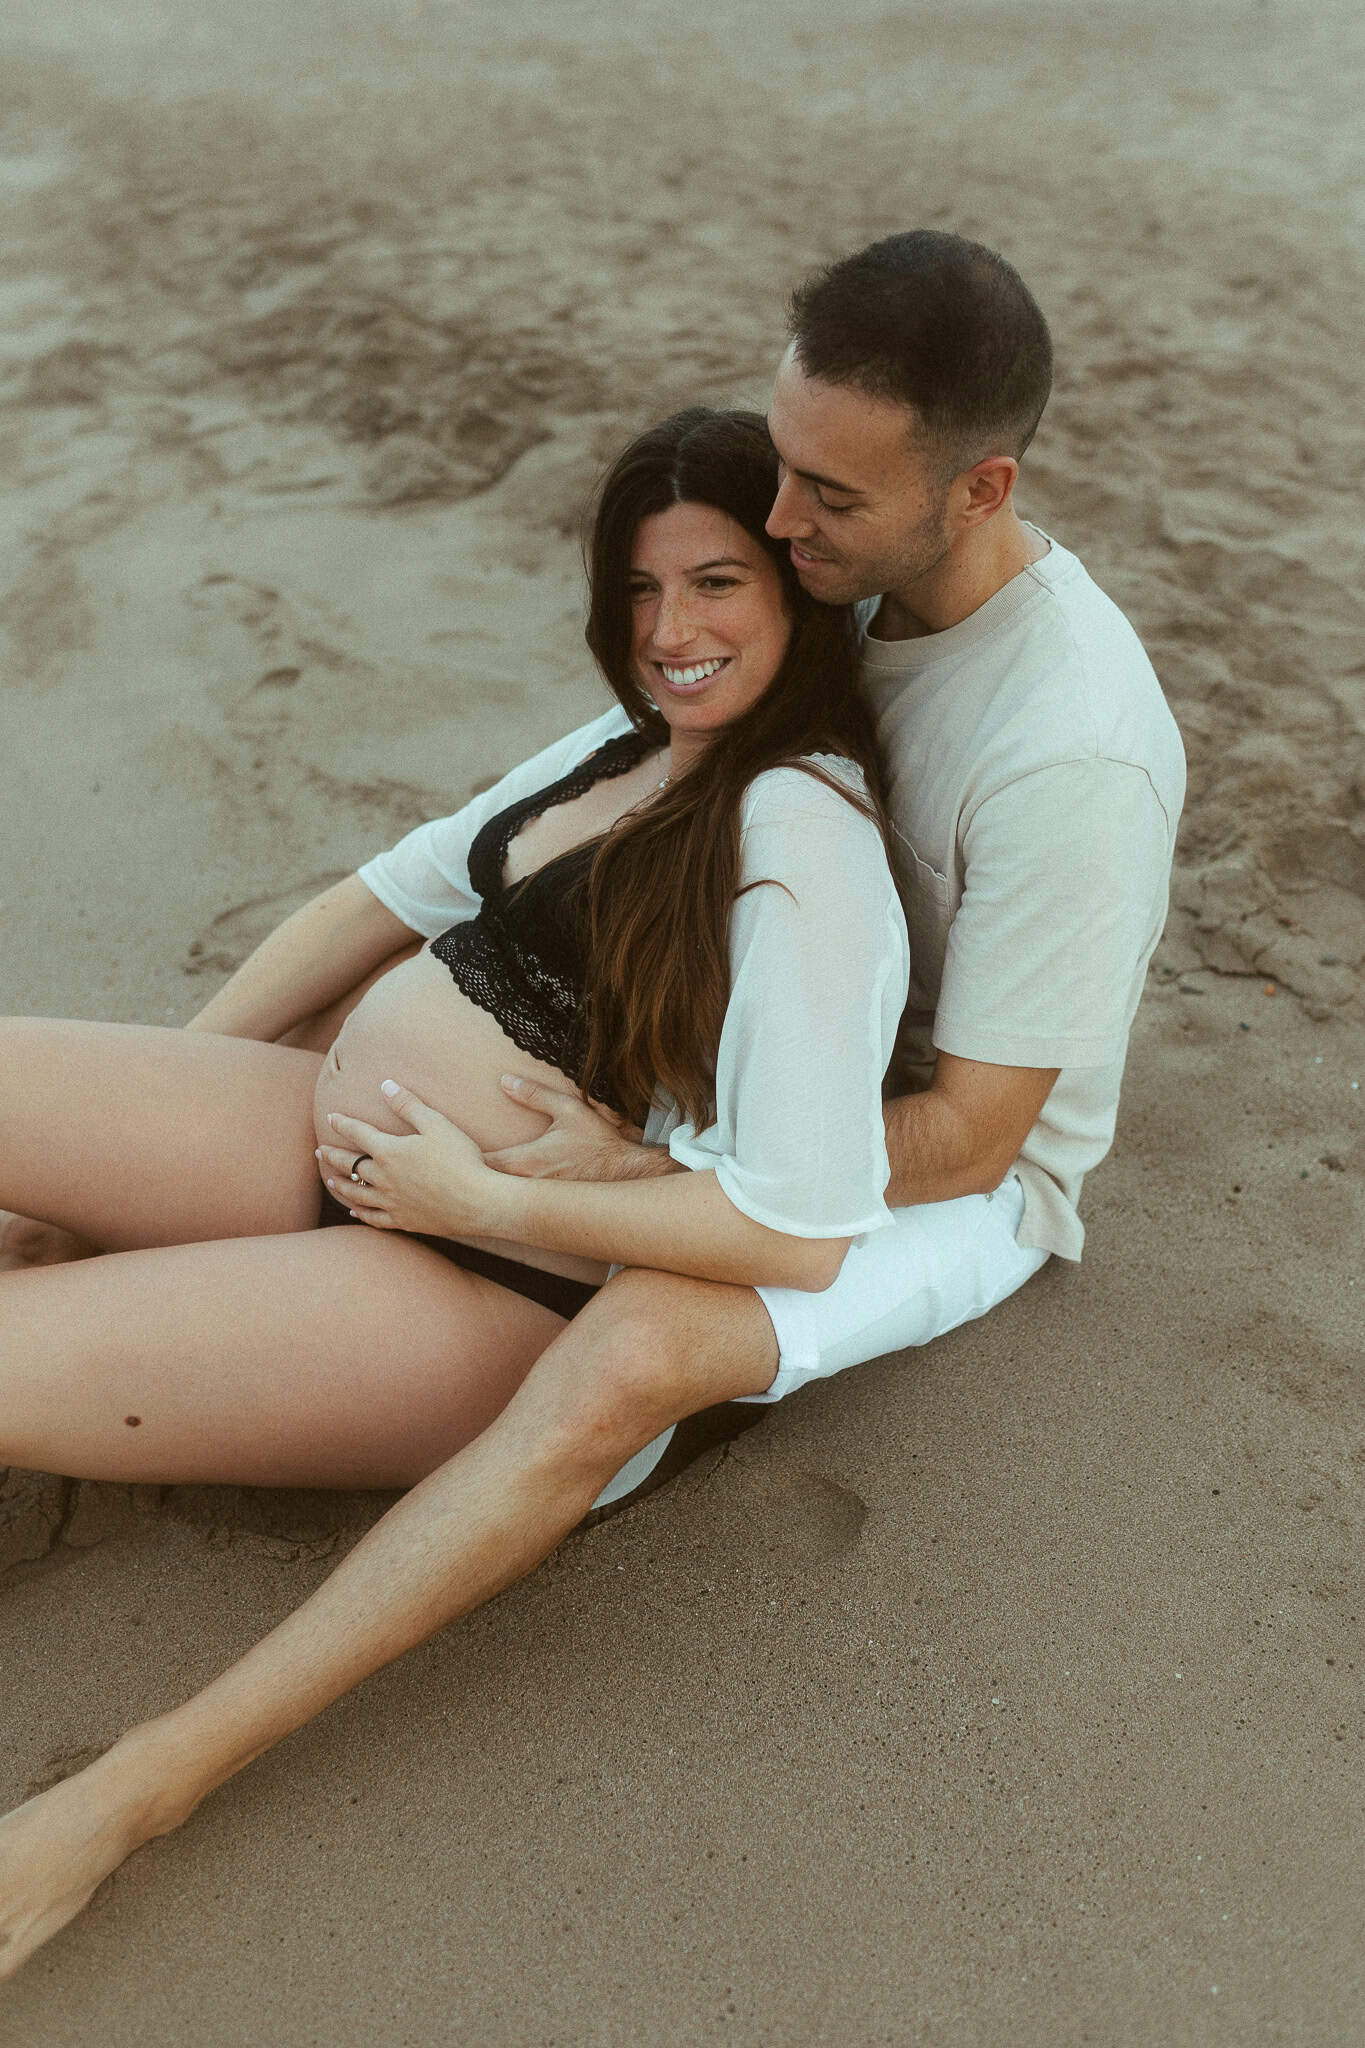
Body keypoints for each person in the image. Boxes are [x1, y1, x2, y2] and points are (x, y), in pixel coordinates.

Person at [1, 225, 1186, 1973]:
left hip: (935, 1173)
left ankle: (126, 1800)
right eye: (775, 477)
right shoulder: (804, 607)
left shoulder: (1065, 746)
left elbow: (976, 1133)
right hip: (669, 1081)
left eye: (822, 506)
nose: (779, 528)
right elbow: (428, 871)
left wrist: (628, 1175)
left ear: (978, 486)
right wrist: (143, 1143)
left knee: (631, 1353)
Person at [0, 407, 910, 1974]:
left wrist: (488, 1204)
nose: (668, 631)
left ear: (799, 596)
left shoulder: (797, 832)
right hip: (322, 1156)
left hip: (474, 1285)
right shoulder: (638, 747)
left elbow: (798, 1232)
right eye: (635, 590)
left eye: (713, 586)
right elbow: (378, 900)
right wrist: (98, 1171)